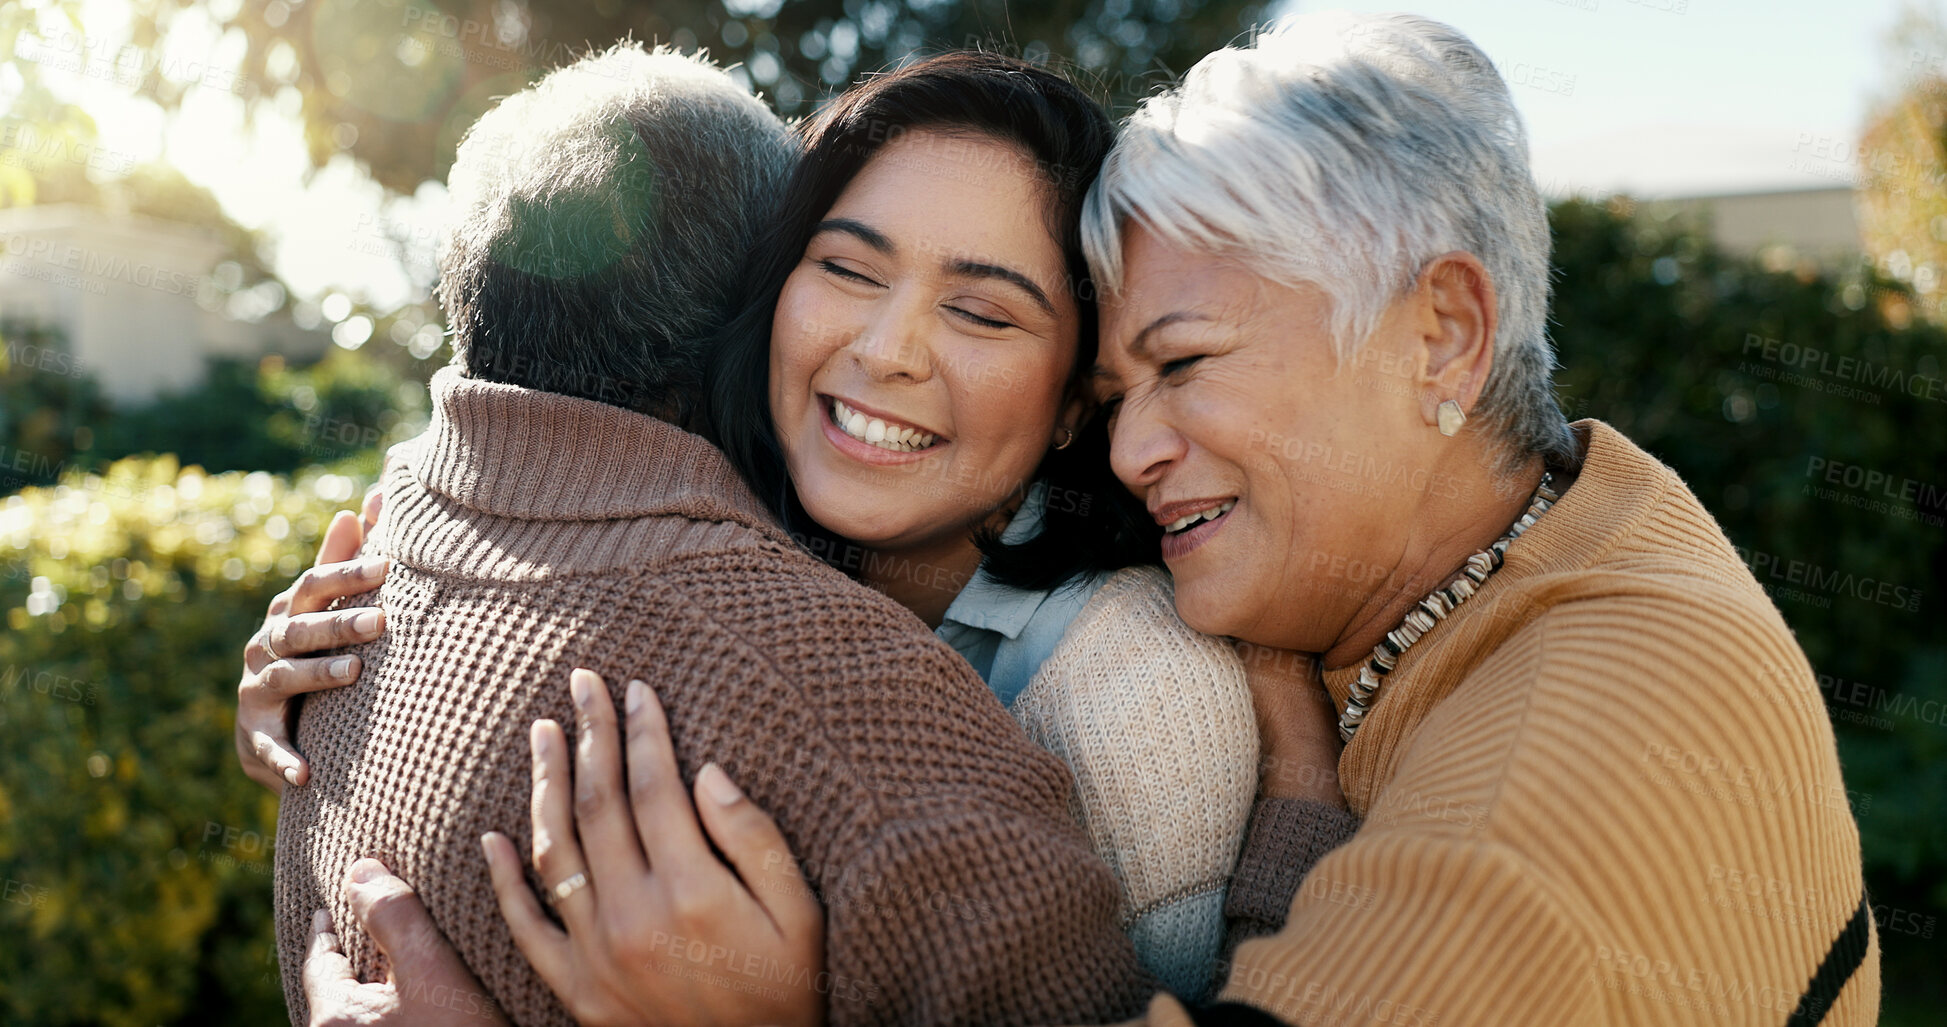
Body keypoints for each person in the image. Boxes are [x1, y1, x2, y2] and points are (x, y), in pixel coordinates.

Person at [295, 12, 1883, 1027]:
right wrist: (382, 617)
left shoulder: (1573, 744)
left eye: (1179, 365)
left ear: (1442, 338)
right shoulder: (1433, 565)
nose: (1130, 444)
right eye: (1117, 382)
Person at [247, 45, 1364, 1015]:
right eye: (845, 267)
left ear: (1079, 394)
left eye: (980, 310)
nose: (887, 350)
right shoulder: (711, 555)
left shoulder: (1140, 699)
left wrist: (1303, 808)